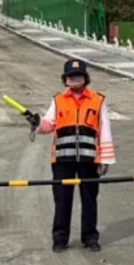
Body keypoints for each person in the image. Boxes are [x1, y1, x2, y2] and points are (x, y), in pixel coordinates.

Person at [27, 59, 116, 253]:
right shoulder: (58, 100)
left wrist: (105, 159)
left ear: (85, 78)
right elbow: (49, 124)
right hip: (62, 160)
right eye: (70, 76)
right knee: (62, 199)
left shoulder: (98, 100)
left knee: (90, 199)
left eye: (78, 75)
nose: (74, 79)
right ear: (65, 79)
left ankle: (90, 238)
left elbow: (105, 129)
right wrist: (37, 122)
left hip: (89, 159)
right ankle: (60, 239)